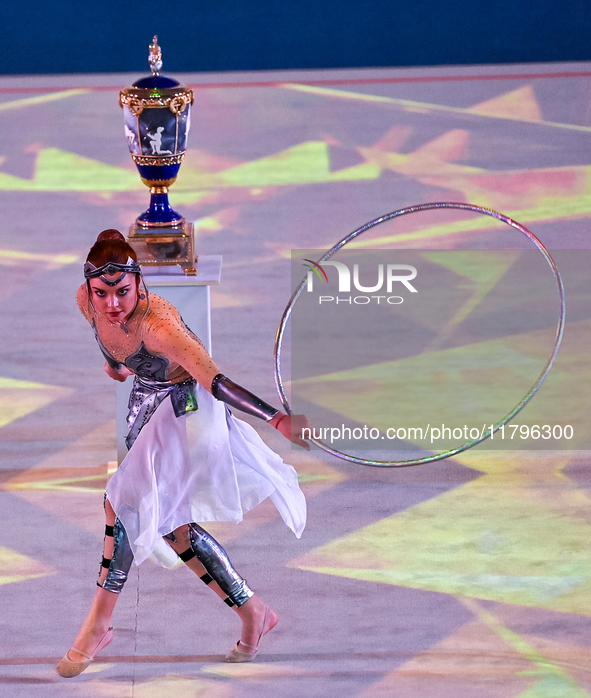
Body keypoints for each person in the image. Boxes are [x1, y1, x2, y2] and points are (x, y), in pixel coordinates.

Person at [56, 230, 309, 678]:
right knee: (173, 526)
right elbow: (107, 336)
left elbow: (217, 380)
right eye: (102, 293)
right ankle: (254, 611)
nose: (112, 304)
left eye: (122, 292)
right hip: (146, 406)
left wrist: (275, 419)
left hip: (188, 409)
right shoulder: (86, 300)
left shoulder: (161, 326)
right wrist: (116, 366)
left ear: (139, 283)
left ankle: (97, 624)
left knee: (123, 502)